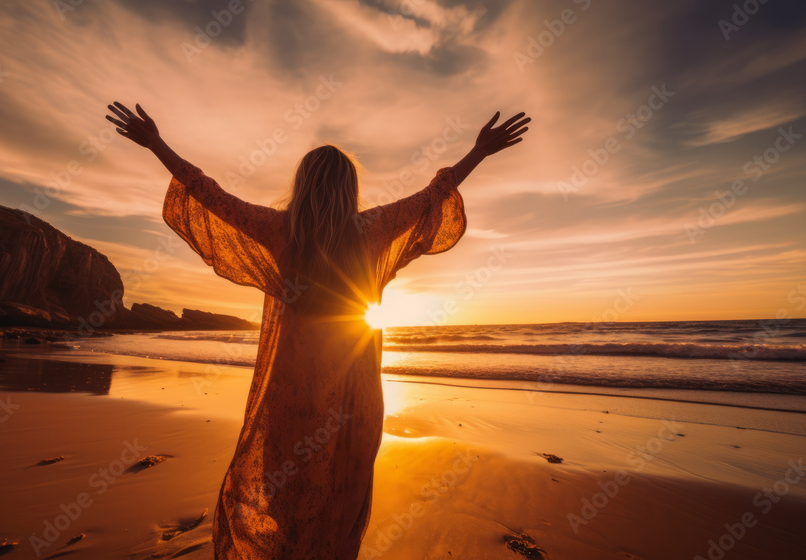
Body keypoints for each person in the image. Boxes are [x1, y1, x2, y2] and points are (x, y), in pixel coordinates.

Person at [106, 102, 530, 559]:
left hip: (292, 394)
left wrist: (156, 145)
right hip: (356, 394)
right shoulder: (372, 228)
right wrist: (478, 152)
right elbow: (433, 195)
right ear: (350, 190)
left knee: (286, 494)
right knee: (340, 499)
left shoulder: (279, 229)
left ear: (302, 184)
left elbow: (208, 193)